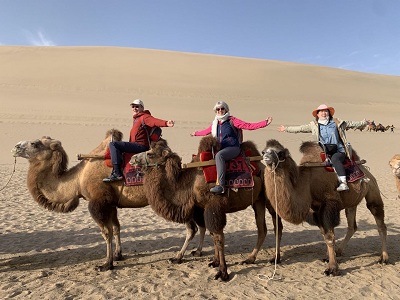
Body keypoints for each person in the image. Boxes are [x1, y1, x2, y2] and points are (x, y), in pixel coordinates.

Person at [277, 104, 367, 192]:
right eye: (321, 111)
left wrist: (363, 123)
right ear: (317, 114)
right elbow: (300, 128)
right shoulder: (314, 125)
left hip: (338, 150)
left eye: (326, 111)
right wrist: (286, 129)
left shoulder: (337, 123)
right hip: (323, 151)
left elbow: (352, 124)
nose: (324, 113)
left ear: (329, 113)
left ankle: (343, 183)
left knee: (335, 159)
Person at [191, 101, 273, 194]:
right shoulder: (215, 123)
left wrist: (265, 122)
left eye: (222, 108)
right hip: (221, 148)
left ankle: (221, 186)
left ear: (226, 109)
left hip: (233, 148)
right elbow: (206, 131)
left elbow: (248, 126)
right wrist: (196, 133)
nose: (220, 111)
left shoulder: (232, 120)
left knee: (219, 156)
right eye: (218, 109)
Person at [103, 99, 175, 182]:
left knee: (113, 145)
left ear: (142, 108)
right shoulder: (137, 119)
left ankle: (117, 173)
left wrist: (166, 123)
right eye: (133, 107)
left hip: (140, 146)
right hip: (136, 145)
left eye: (137, 106)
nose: (134, 108)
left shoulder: (144, 117)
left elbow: (154, 121)